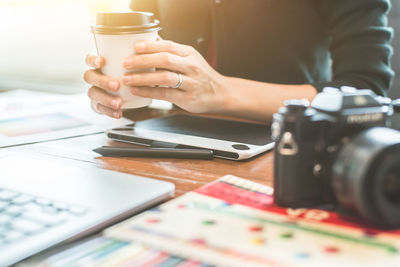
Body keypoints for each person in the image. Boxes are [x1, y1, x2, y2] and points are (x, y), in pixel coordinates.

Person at [84, 0, 394, 122]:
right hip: (171, 144)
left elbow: (366, 92)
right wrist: (116, 86)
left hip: (290, 150)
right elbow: (146, 47)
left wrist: (221, 93)